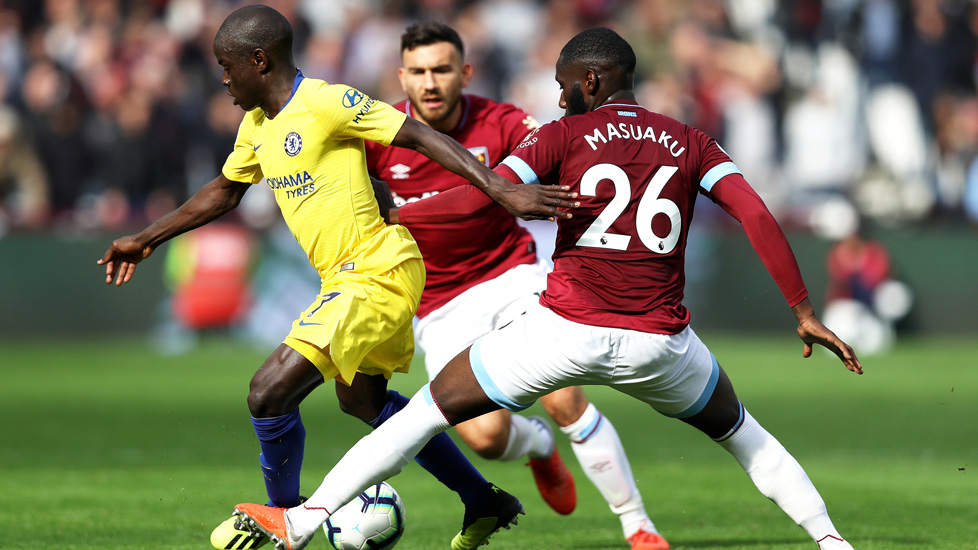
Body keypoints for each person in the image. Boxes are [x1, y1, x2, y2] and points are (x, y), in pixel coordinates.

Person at [230, 27, 863, 550]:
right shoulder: (690, 140)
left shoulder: (562, 135)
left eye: (564, 86)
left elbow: (484, 199)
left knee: (422, 413)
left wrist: (401, 216)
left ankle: (304, 520)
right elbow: (755, 213)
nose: (560, 99)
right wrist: (803, 310)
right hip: (662, 343)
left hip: (565, 330)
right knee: (746, 434)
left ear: (589, 82)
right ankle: (831, 541)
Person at [96, 6, 575, 550]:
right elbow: (225, 191)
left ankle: (283, 518)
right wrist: (147, 237)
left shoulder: (327, 101)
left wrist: (499, 186)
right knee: (364, 403)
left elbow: (416, 134)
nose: (224, 80)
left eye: (228, 67)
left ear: (259, 60)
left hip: (377, 271)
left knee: (267, 391)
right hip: (349, 280)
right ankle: (482, 500)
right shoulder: (256, 125)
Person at [364, 21, 668, 550]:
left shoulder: (502, 122)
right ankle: (537, 448)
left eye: (441, 69)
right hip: (438, 303)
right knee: (483, 437)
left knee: (562, 392)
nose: (430, 83)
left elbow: (566, 150)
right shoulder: (379, 138)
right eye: (418, 72)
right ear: (402, 76)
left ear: (466, 72)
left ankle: (638, 525)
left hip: (511, 275)